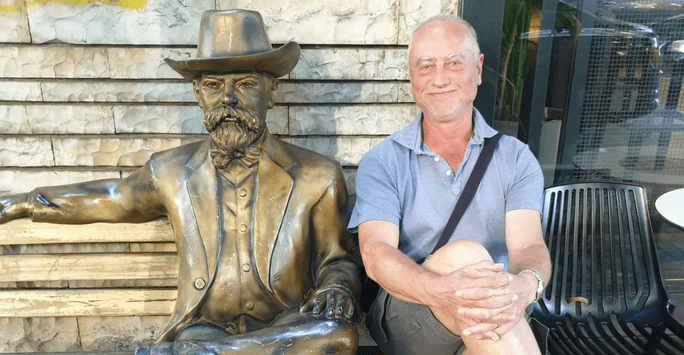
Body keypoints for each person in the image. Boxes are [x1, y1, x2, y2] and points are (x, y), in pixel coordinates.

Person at [0, 9, 362, 355]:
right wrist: (23, 202)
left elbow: (338, 259)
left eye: (247, 83)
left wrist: (336, 287)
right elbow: (108, 196)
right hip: (205, 326)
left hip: (287, 323)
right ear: (198, 94)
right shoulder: (170, 171)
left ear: (271, 92)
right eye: (213, 85)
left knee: (338, 336)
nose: (229, 99)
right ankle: (211, 350)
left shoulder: (318, 175)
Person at [348, 15, 551, 355]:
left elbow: (529, 248)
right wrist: (441, 290)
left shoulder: (516, 159)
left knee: (485, 334)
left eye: (454, 62)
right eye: (425, 66)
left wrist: (525, 286)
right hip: (410, 308)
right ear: (412, 77)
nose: (439, 79)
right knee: (465, 254)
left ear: (479, 68)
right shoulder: (383, 161)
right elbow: (376, 253)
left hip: (498, 311)